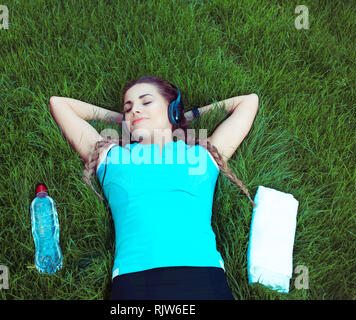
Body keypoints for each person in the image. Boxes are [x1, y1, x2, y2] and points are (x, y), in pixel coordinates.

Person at [49, 75, 259, 300]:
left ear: (172, 109)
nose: (135, 111)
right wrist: (122, 120)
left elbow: (248, 102)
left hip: (203, 278)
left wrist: (185, 116)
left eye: (146, 102)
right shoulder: (112, 157)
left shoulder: (202, 157)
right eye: (128, 108)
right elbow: (59, 104)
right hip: (136, 282)